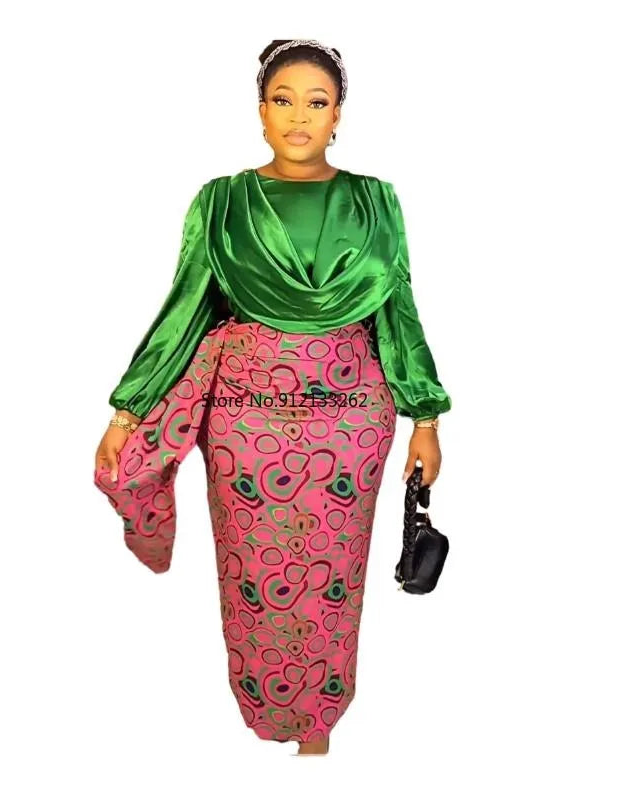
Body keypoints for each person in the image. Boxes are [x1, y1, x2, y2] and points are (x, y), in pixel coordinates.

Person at [93, 38, 451, 756]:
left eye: (317, 102)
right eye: (283, 100)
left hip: (352, 423)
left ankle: (318, 726)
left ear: (338, 114)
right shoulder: (222, 202)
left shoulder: (376, 201)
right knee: (255, 571)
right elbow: (186, 308)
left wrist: (425, 417)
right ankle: (268, 708)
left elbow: (398, 310)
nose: (299, 116)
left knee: (334, 576)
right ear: (261, 110)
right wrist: (128, 410)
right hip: (245, 422)